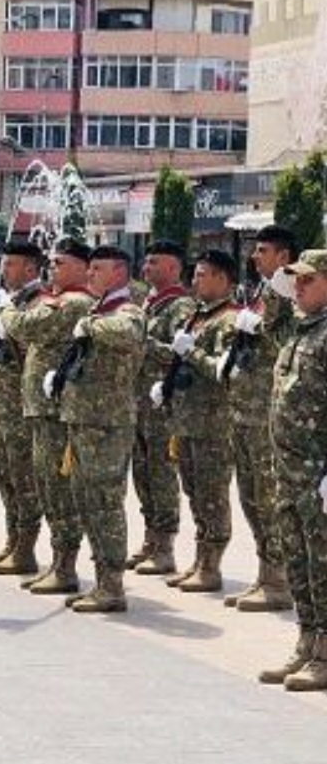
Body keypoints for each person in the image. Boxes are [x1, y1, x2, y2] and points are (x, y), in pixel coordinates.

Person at [46, 245, 145, 613]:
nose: (90, 276)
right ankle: (102, 580)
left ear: (119, 272)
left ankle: (113, 585)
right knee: (88, 502)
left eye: (98, 269)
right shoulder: (97, 309)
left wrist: (89, 325)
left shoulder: (126, 310)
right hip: (84, 421)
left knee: (105, 504)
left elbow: (129, 332)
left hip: (107, 425)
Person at [0, 238, 95, 595]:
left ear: (83, 268)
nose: (52, 268)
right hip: (42, 408)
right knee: (48, 487)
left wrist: (6, 311)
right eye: (51, 263)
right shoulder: (56, 300)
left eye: (61, 263)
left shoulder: (75, 302)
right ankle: (57, 562)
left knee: (59, 489)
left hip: (57, 412)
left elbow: (26, 328)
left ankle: (66, 565)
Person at [217, 224, 297, 612]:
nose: (254, 256)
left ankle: (279, 580)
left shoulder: (295, 292)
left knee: (269, 499)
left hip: (269, 413)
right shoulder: (264, 291)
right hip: (245, 412)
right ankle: (265, 574)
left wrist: (260, 325)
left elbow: (287, 342)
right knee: (251, 497)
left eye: (262, 250)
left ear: (283, 257)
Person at [151, 249, 238, 594]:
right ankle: (200, 561)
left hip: (212, 424)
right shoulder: (199, 317)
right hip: (187, 421)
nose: (195, 280)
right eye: (195, 274)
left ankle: (212, 566)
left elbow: (223, 371)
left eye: (203, 275)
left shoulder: (229, 320)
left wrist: (192, 352)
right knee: (195, 493)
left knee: (213, 495)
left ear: (222, 278)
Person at [259, 249, 327, 691]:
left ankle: (325, 654)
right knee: (300, 563)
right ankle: (307, 642)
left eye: (307, 281)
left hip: (319, 474)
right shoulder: (302, 332)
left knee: (324, 565)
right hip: (291, 471)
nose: (297, 289)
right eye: (295, 282)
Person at [0, 241, 45, 576]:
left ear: (30, 269)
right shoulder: (9, 301)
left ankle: (26, 547)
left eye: (12, 264)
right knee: (4, 476)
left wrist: (7, 316)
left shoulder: (37, 302)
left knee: (22, 477)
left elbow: (32, 342)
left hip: (19, 405)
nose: (4, 270)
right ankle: (12, 540)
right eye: (4, 263)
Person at [128, 240, 196, 575]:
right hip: (138, 404)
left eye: (154, 262)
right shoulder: (148, 304)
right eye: (146, 262)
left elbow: (181, 354)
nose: (146, 267)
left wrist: (142, 342)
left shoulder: (180, 307)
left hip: (162, 405)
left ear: (173, 267)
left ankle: (165, 546)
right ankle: (150, 538)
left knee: (161, 473)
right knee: (142, 472)